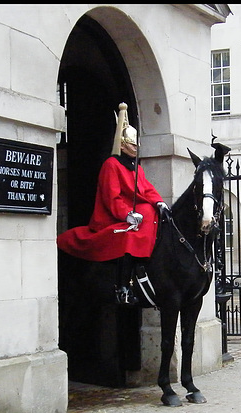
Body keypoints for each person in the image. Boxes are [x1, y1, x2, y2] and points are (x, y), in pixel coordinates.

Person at [57, 103, 169, 304]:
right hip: (112, 218)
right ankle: (123, 288)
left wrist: (159, 202)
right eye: (133, 145)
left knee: (151, 215)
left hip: (135, 217)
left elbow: (147, 189)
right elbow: (111, 197)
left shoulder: (136, 168)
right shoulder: (111, 165)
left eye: (137, 145)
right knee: (128, 238)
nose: (136, 149)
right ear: (123, 144)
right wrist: (127, 214)